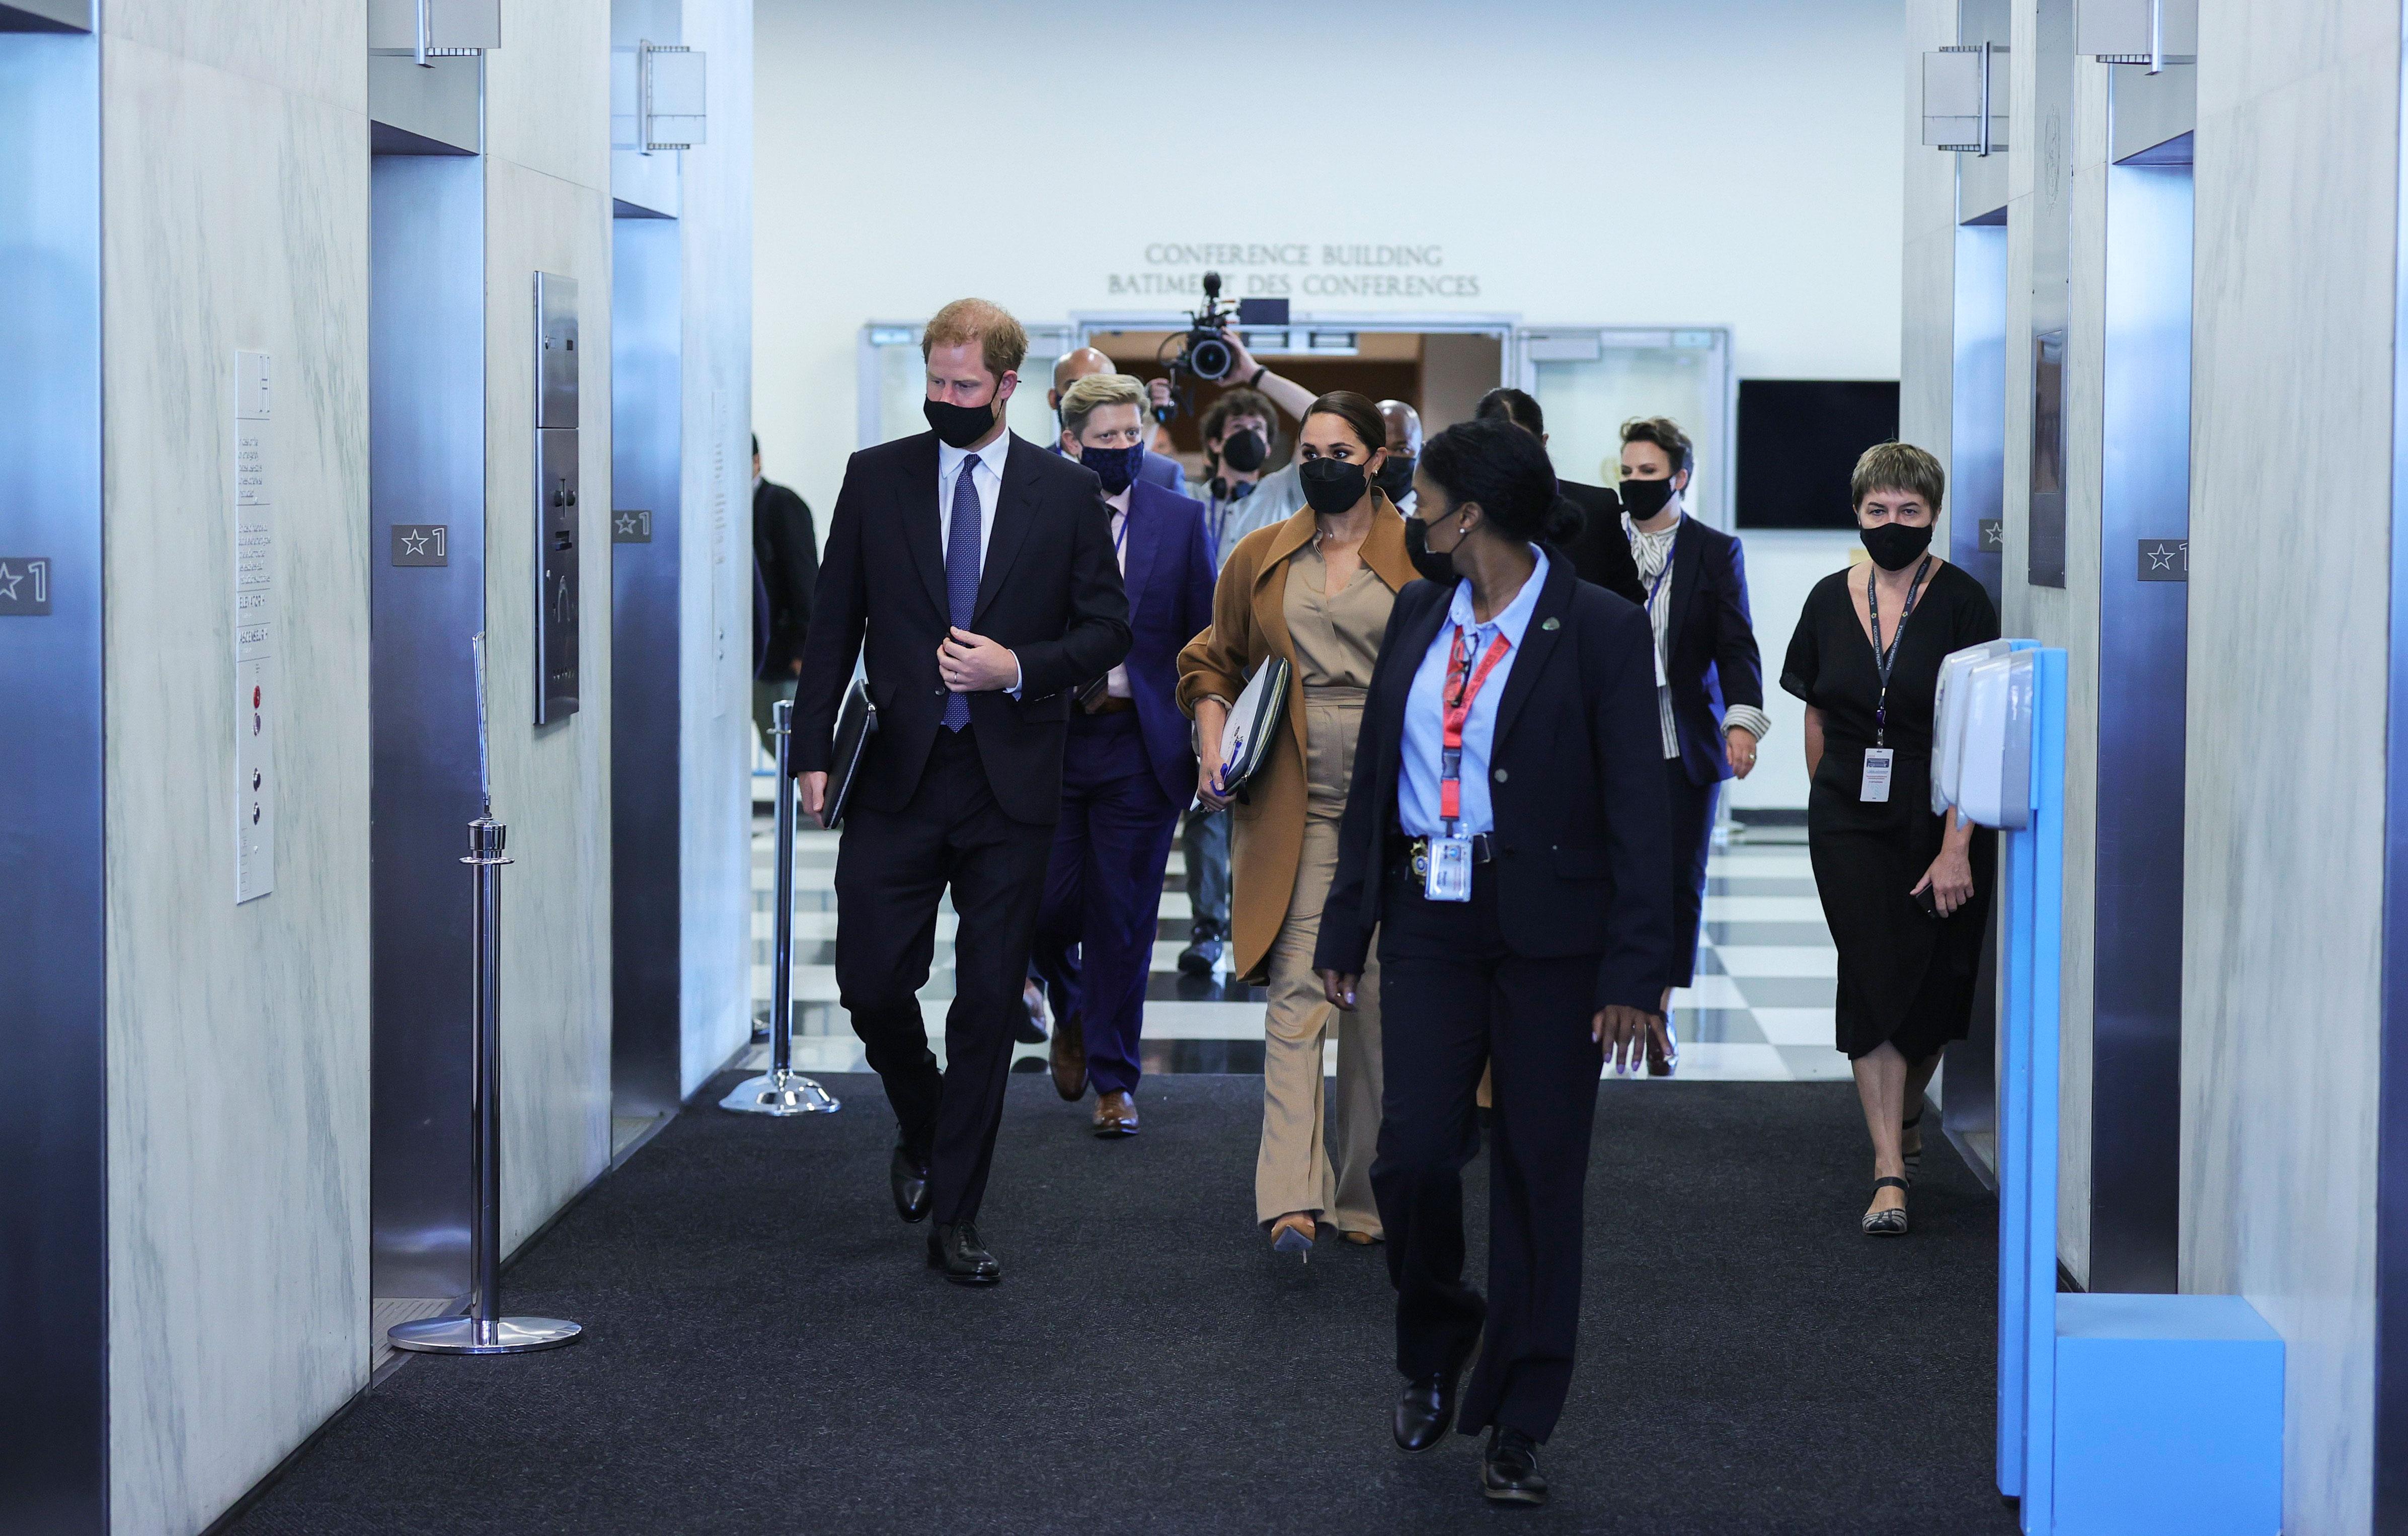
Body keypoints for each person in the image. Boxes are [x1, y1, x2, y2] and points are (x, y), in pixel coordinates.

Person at [1313, 417, 1670, 1508]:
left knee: (1537, 1171)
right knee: (1410, 1155)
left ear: (1468, 514)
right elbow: (1381, 774)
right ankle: (1434, 1332)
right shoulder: (1422, 610)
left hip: (1554, 943)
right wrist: (1347, 920)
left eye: (1420, 498)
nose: (1407, 513)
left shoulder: (1599, 627)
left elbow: (1639, 811)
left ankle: (1518, 1417)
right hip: (1429, 918)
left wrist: (1633, 973)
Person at [792, 298, 1131, 1285]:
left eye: (964, 387)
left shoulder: (1062, 494)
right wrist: (812, 749)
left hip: (1010, 784)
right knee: (868, 982)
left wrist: (1016, 664)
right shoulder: (876, 477)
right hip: (898, 775)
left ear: (1007, 386)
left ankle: (959, 1216)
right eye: (934, 384)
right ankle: (925, 1119)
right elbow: (834, 620)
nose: (945, 400)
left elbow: (1107, 629)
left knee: (986, 1001)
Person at [1178, 390, 1417, 1257]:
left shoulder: (1424, 556)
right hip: (1295, 799)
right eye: (1310, 448)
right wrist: (1213, 744)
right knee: (1297, 993)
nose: (1323, 463)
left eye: (1340, 451)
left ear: (1378, 460)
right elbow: (1211, 660)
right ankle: (1289, 1195)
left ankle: (1364, 1197)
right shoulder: (1259, 556)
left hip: (1399, 805)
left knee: (1380, 1005)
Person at [1780, 441, 1997, 1236]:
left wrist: (1955, 845)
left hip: (1940, 810)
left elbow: (1976, 734)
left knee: (1932, 990)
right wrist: (1827, 798)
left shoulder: (1964, 600)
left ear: (1932, 514)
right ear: (1857, 512)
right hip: (1848, 815)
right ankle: (1888, 1171)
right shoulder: (1826, 597)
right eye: (1878, 510)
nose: (1892, 523)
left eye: (1909, 511)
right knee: (1871, 976)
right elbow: (1814, 709)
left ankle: (1903, 1123)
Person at [1028, 375, 1216, 1134]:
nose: (1121, 449)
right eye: (1105, 438)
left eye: (1130, 435)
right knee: (1041, 904)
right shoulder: (1037, 514)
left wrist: (1208, 741)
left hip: (1139, 747)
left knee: (1124, 917)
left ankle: (1115, 1080)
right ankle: (1068, 1005)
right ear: (1072, 440)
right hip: (1051, 744)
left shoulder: (1178, 516)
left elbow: (1204, 636)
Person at [1614, 415, 1771, 1069]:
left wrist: (1742, 720)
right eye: (1625, 472)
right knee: (1617, 877)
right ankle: (1613, 1002)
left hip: (1685, 738)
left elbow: (1736, 641)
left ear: (1679, 477)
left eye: (1647, 473)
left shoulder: (1712, 549)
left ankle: (1658, 1013)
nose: (1633, 484)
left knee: (1678, 880)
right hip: (1613, 738)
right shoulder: (1600, 542)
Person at [1175, 385, 1284, 979]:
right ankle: (1209, 929)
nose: (1252, 436)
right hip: (1200, 665)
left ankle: (1261, 926)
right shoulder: (1187, 498)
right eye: (1239, 425)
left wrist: (1257, 375)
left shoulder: (1282, 493)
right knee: (1207, 802)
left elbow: (1325, 411)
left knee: (1267, 804)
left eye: (1260, 428)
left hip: (1263, 667)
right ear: (1215, 439)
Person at [1472, 387, 1645, 604]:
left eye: (1522, 446)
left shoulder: (1596, 509)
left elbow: (1630, 604)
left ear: (1543, 443)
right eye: (1498, 447)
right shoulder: (1465, 515)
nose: (1511, 459)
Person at [753, 435, 820, 758]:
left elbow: (805, 581)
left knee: (795, 750)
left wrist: (802, 650)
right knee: (775, 743)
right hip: (757, 660)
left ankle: (826, 808)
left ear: (757, 461)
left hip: (785, 659)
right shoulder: (731, 512)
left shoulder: (780, 504)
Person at [1049, 347, 1184, 492]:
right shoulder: (1032, 471)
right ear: (1053, 398)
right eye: (1075, 386)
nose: (1088, 397)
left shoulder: (1163, 475)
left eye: (1102, 387)